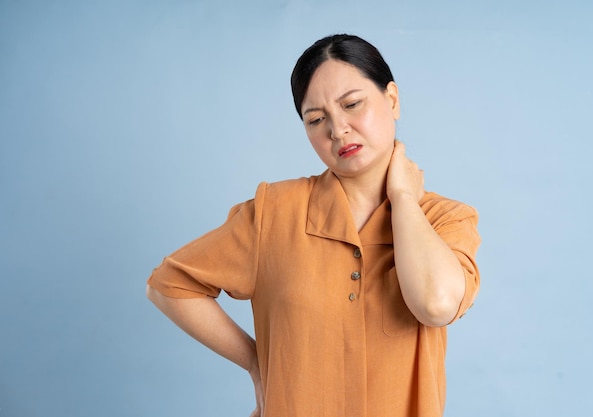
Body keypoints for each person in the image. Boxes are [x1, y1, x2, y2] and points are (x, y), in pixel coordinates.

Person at [146, 34, 480, 417]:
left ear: (392, 99)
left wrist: (404, 198)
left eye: (352, 105)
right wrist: (257, 363)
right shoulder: (273, 213)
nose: (337, 130)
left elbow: (435, 306)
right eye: (316, 119)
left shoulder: (446, 219)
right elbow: (169, 286)